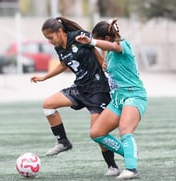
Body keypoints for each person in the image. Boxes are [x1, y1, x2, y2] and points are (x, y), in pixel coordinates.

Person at [30, 17, 120, 176]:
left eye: (50, 38)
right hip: (79, 88)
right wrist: (45, 77)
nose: (50, 42)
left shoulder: (80, 36)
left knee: (97, 134)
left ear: (60, 32)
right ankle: (63, 142)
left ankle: (112, 166)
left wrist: (105, 64)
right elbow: (64, 64)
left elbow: (97, 47)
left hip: (98, 89)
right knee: (48, 104)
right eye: (47, 39)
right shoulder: (59, 47)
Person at [76, 18, 148, 180]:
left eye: (98, 40)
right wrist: (93, 48)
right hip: (117, 100)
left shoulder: (124, 45)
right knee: (96, 133)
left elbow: (113, 46)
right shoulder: (108, 54)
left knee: (125, 130)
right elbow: (106, 56)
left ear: (106, 39)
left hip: (134, 96)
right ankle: (130, 152)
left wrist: (92, 42)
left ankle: (131, 169)